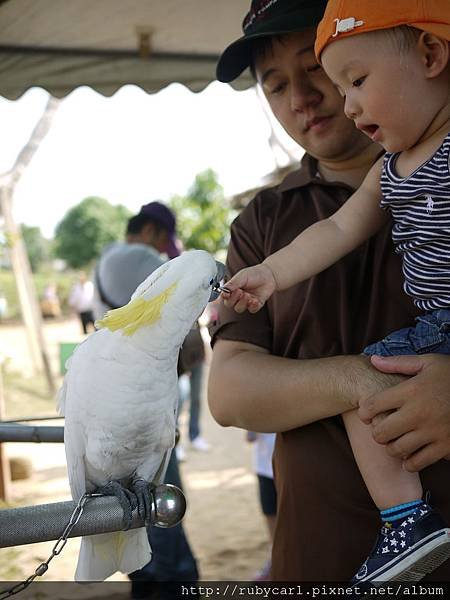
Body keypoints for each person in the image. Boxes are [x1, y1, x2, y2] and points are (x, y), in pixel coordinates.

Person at [208, 0, 450, 582]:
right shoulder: (262, 222)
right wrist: (361, 382)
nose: (303, 98)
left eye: (318, 68)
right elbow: (230, 392)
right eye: (274, 86)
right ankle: (405, 523)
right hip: (316, 560)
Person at [93, 201, 199, 595]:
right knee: (157, 494)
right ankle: (169, 578)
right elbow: (180, 321)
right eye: (162, 242)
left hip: (119, 403)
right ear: (154, 231)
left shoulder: (104, 259)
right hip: (143, 403)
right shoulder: (138, 258)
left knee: (139, 497)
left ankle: (153, 575)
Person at [246, 431, 277, 581]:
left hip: (288, 468)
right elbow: (250, 436)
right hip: (265, 467)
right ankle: (274, 562)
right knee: (271, 517)